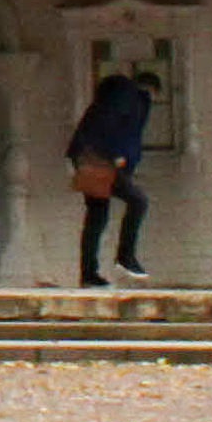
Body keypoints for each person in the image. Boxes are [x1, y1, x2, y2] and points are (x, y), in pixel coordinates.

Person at [66, 62, 157, 285]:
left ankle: (88, 274)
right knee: (138, 201)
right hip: (101, 158)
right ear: (151, 89)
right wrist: (117, 154)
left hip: (86, 155)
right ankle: (126, 257)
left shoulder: (113, 94)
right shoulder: (133, 96)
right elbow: (118, 126)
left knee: (97, 215)